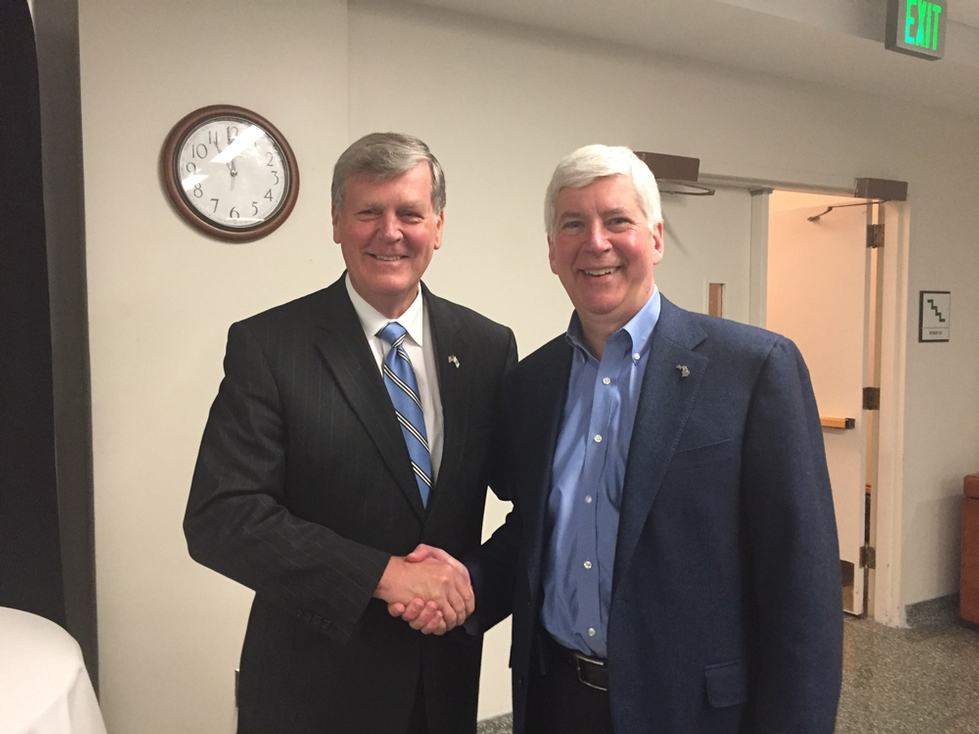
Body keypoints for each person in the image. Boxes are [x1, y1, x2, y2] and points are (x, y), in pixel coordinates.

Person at [396, 144, 843, 733]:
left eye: (617, 221)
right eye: (573, 225)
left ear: (655, 238)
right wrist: (467, 583)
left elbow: (801, 584)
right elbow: (536, 532)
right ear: (552, 251)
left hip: (694, 713)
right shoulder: (532, 384)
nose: (596, 242)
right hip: (557, 702)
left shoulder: (754, 370)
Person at [184, 132, 516, 734]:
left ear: (438, 226)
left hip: (441, 679)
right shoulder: (270, 346)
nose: (390, 232)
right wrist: (386, 575)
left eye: (410, 213)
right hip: (312, 687)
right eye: (368, 212)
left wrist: (472, 586)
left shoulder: (487, 347)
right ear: (336, 222)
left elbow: (534, 501)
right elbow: (222, 517)